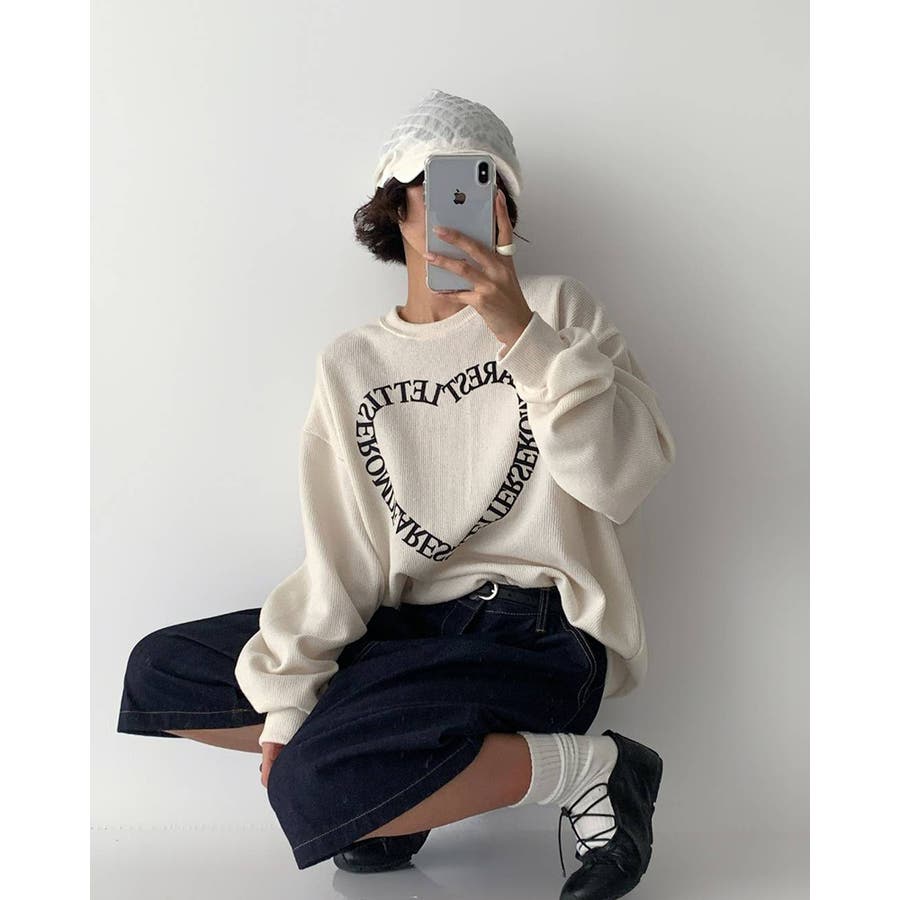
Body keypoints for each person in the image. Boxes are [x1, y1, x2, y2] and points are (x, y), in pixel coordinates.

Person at [117, 88, 676, 900]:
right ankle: (391, 791)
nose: (462, 203)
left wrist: (519, 331)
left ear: (506, 206)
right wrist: (290, 701)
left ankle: (599, 771)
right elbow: (342, 556)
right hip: (406, 629)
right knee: (161, 673)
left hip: (537, 635)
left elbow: (622, 479)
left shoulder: (559, 311)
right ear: (396, 205)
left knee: (309, 785)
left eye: (484, 183)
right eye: (437, 182)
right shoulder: (352, 363)